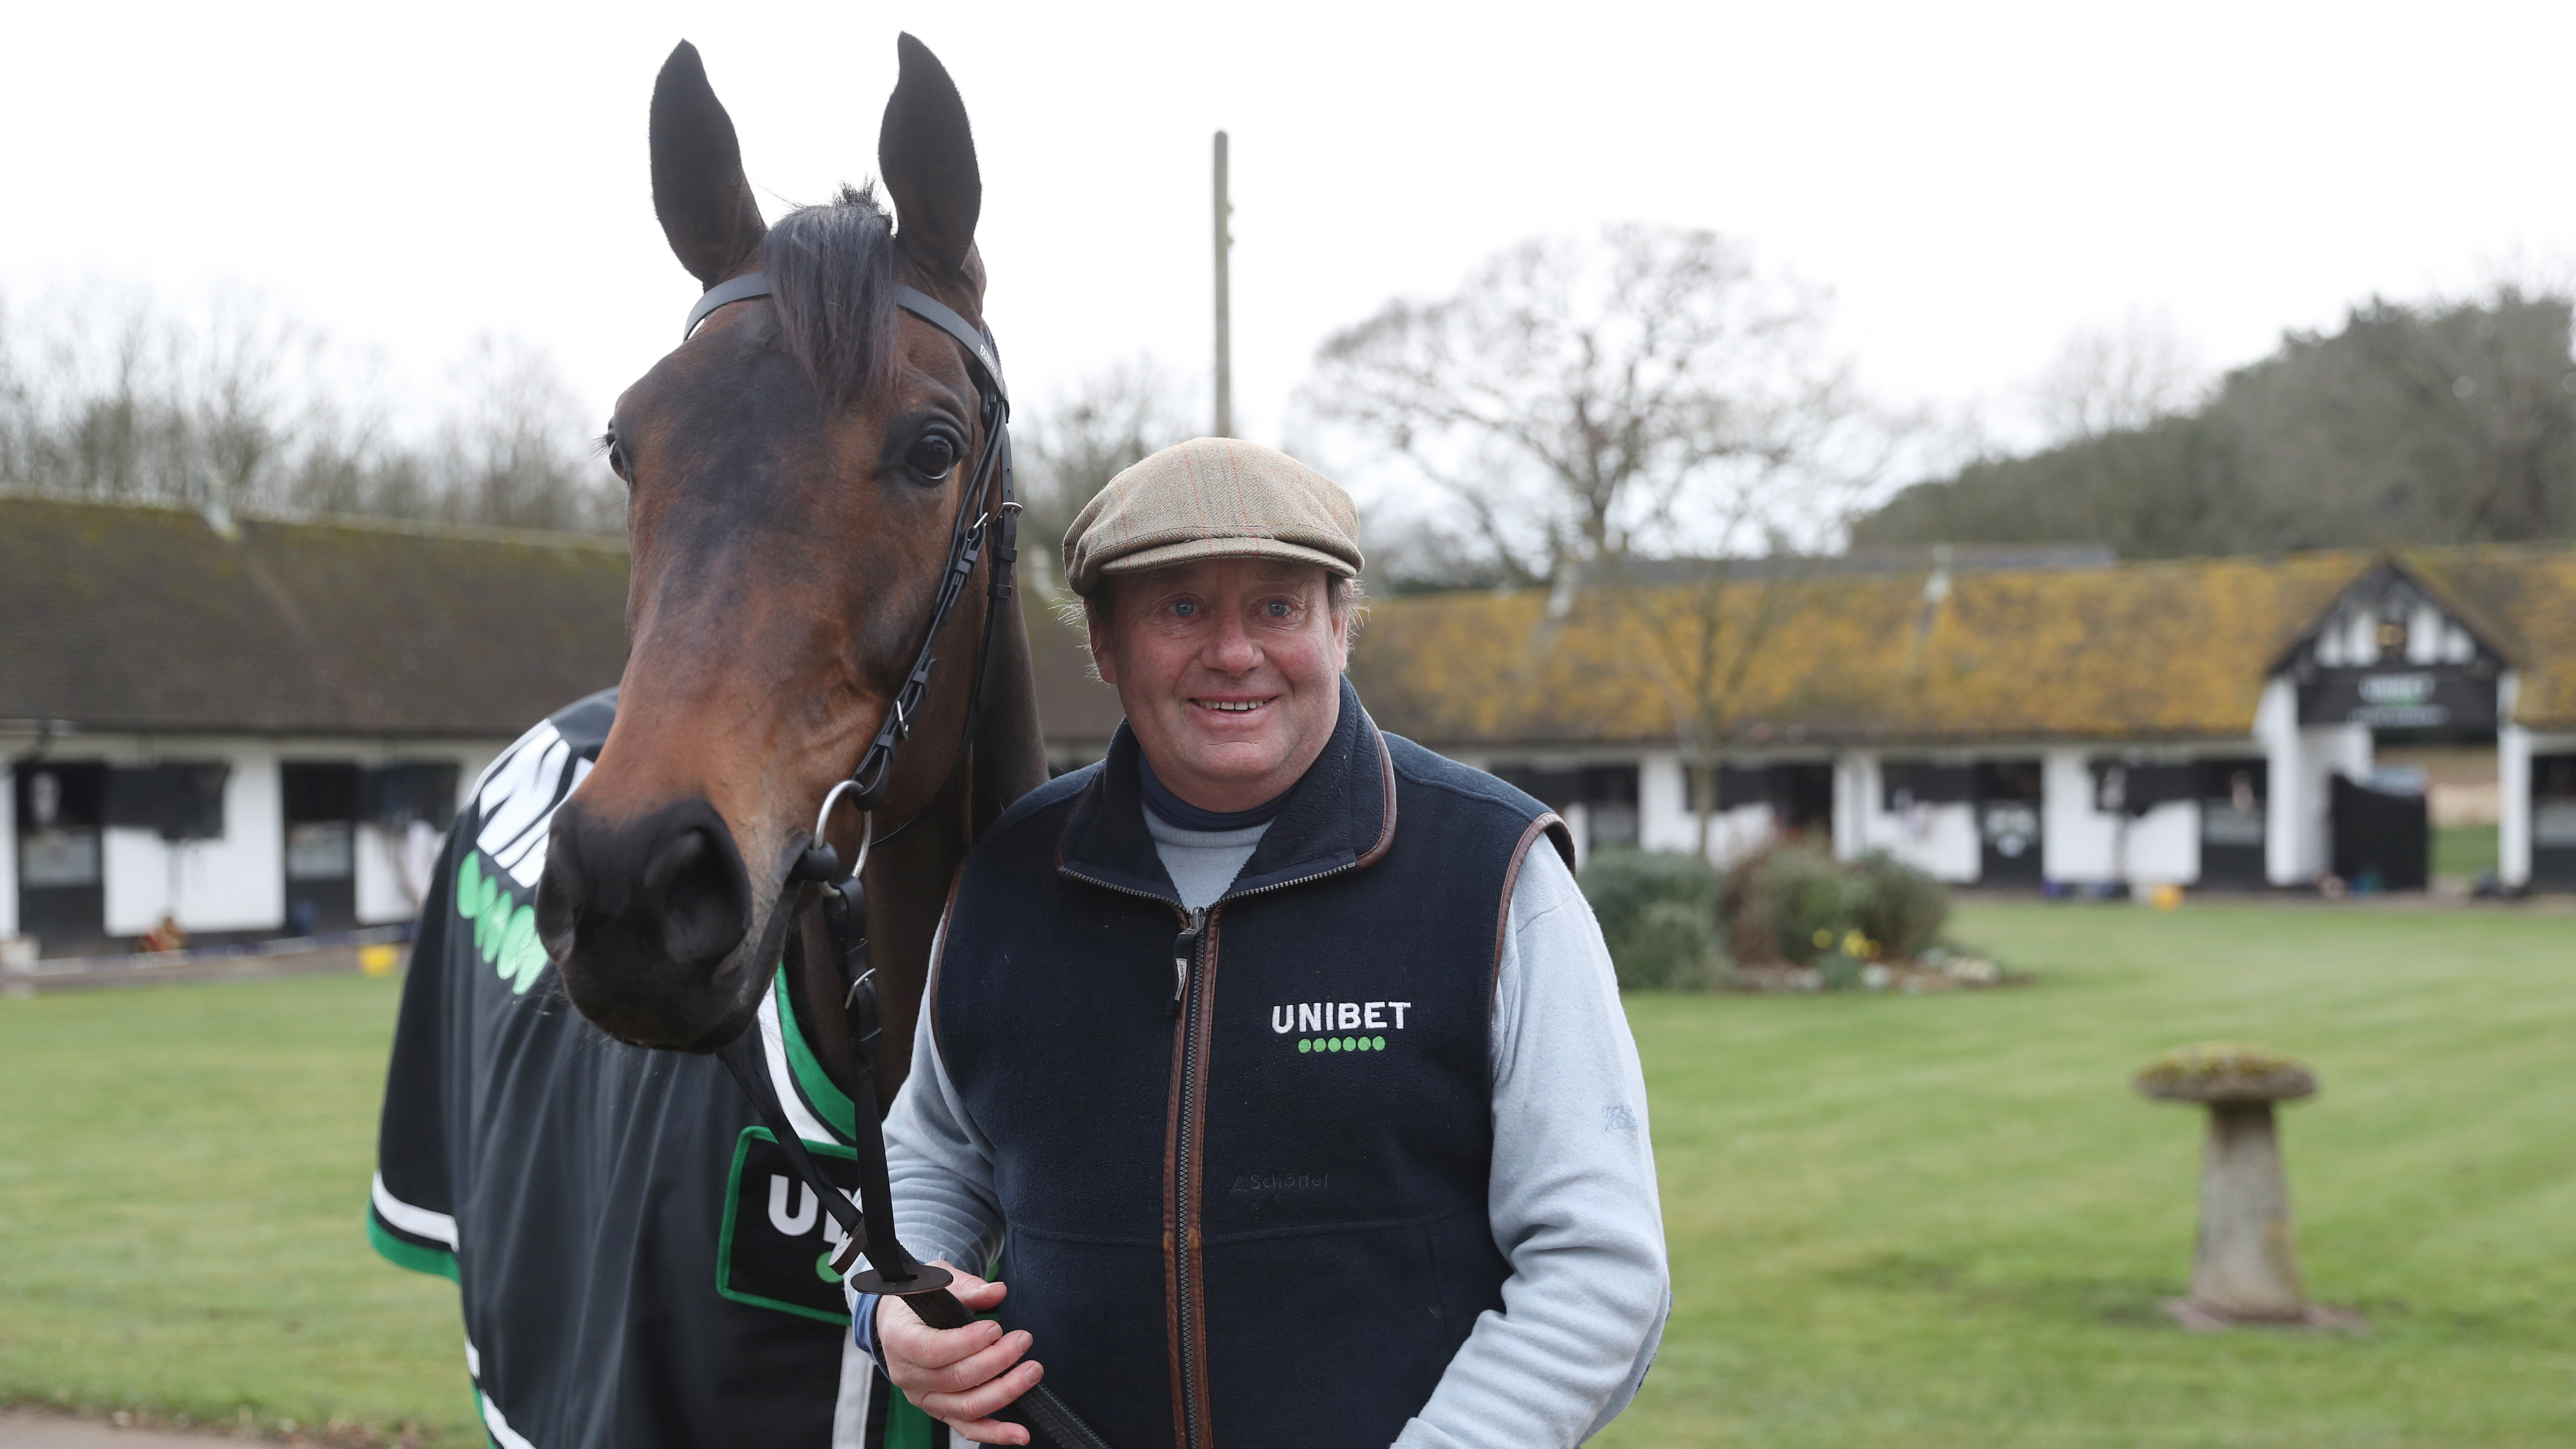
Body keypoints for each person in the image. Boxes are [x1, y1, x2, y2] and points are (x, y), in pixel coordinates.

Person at [858, 438, 1670, 1447]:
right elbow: (931, 1159)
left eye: (1277, 607)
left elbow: (1599, 1263)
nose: (1234, 653)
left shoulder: (1493, 871)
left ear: (1339, 625)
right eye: (1181, 609)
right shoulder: (1006, 878)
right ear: (1105, 643)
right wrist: (895, 1306)